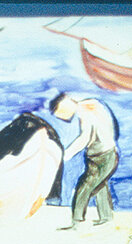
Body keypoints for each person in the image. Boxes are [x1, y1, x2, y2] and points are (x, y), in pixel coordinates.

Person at [49, 92, 120, 227]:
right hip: (107, 153)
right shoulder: (93, 104)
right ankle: (106, 217)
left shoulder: (85, 112)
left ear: (64, 105)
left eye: (60, 114)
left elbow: (84, 139)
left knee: (83, 188)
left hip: (101, 157)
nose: (64, 118)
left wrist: (65, 155)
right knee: (100, 186)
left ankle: (77, 221)